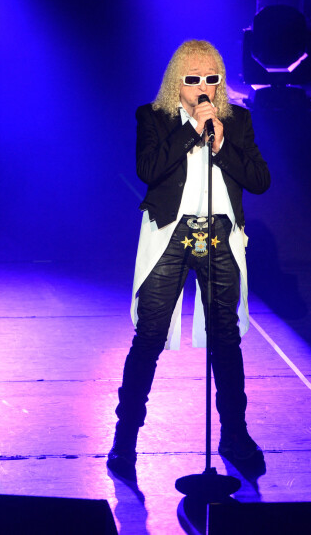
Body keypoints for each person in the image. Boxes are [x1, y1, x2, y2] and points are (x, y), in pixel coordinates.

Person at [107, 40, 270, 481]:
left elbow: (259, 180)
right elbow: (148, 168)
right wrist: (190, 131)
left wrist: (219, 144)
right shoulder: (153, 118)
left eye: (211, 79)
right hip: (170, 234)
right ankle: (125, 440)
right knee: (150, 337)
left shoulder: (236, 124)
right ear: (175, 82)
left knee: (226, 340)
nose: (202, 87)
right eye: (192, 79)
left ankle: (234, 435)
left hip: (218, 234)